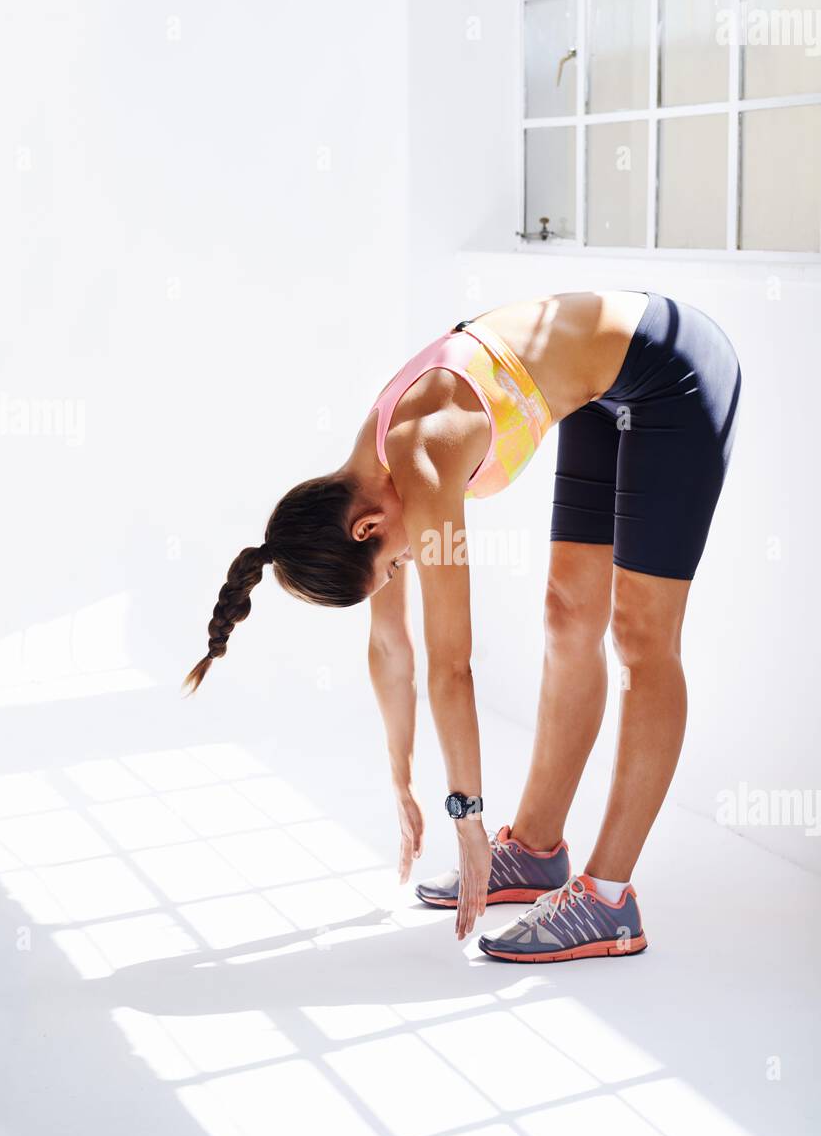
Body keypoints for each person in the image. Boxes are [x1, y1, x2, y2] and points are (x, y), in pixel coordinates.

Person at [184, 292, 741, 962]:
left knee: (640, 635)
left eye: (390, 566)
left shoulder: (417, 459)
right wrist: (400, 780)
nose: (401, 572)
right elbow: (391, 645)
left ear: (367, 528)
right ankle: (536, 851)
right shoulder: (370, 481)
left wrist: (466, 819)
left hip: (670, 371)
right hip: (601, 392)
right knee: (567, 614)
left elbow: (451, 666)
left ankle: (609, 900)